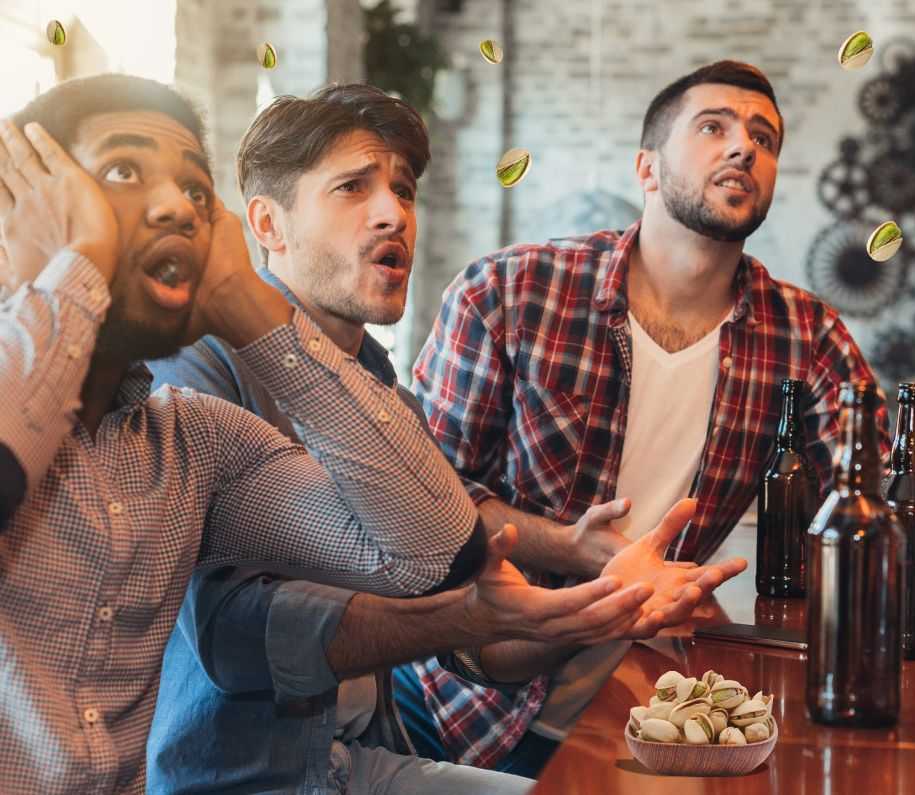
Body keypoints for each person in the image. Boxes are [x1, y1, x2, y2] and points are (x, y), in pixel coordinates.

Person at [0, 74, 659, 795]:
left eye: (195, 191)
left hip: (345, 760)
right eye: (124, 172)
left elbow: (434, 551)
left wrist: (249, 304)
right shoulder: (183, 377)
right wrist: (75, 265)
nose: (177, 210)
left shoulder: (195, 439)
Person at [397, 59, 915, 774]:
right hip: (470, 705)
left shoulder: (805, 335)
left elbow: (858, 516)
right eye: (713, 126)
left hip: (657, 709)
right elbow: (424, 515)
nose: (743, 147)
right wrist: (577, 547)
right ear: (648, 168)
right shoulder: (510, 292)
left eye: (764, 137)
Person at [145, 83, 745, 794]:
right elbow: (231, 636)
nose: (392, 213)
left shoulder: (384, 394)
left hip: (360, 758)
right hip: (243, 776)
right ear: (267, 225)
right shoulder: (197, 369)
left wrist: (590, 611)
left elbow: (477, 643)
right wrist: (460, 615)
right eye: (351, 188)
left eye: (403, 190)